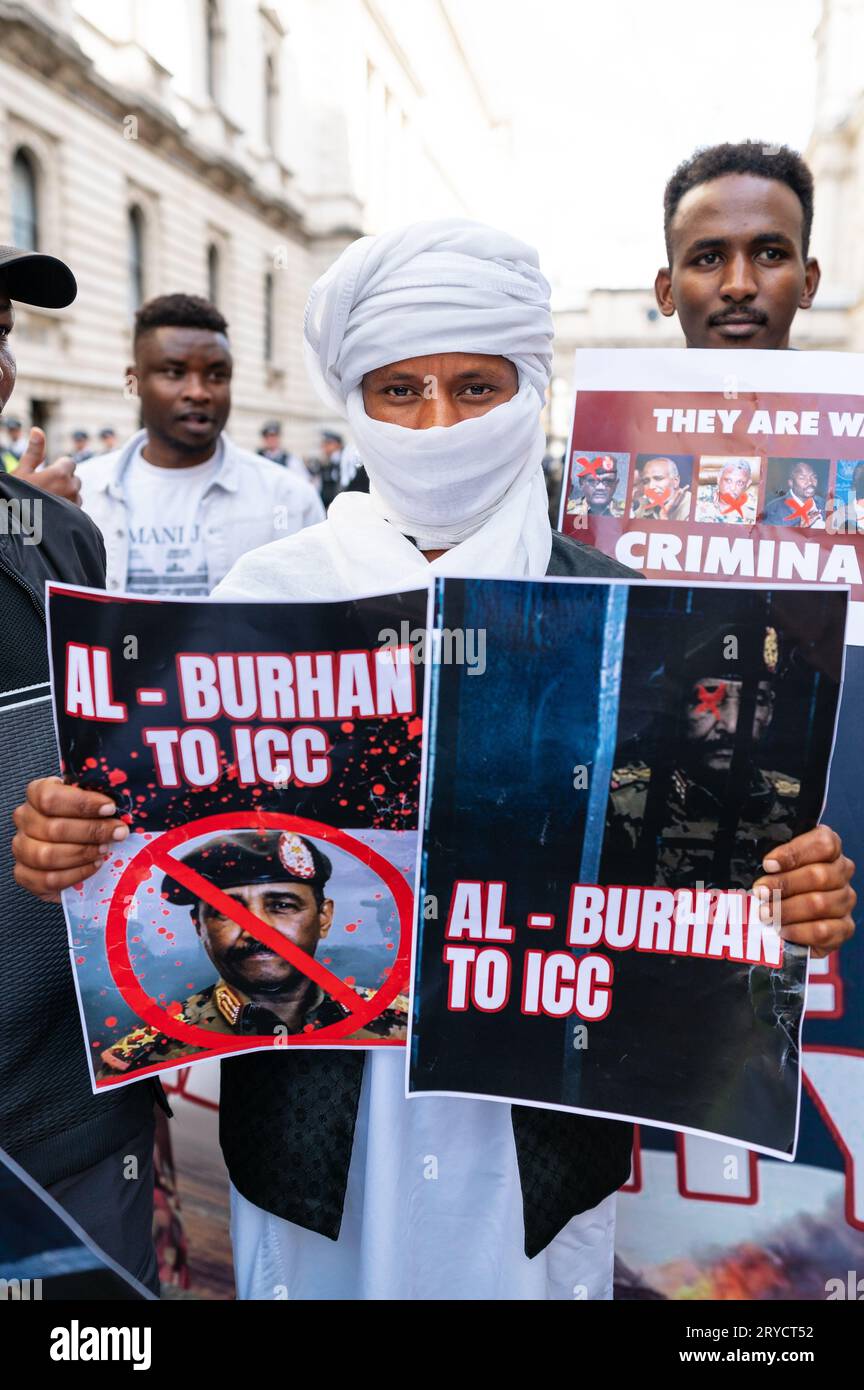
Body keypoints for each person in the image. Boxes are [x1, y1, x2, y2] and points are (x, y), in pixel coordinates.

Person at [13, 220, 854, 1302]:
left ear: (529, 388)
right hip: (318, 1149)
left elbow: (699, 871)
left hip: (537, 1157)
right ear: (355, 400)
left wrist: (789, 895)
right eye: (400, 390)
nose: (437, 423)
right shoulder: (265, 597)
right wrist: (71, 846)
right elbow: (162, 863)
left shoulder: (623, 606)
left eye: (474, 386)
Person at [0, 242, 160, 1293]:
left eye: (0, 334)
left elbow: (131, 794)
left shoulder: (62, 537)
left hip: (70, 1114)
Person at [99, 830, 408, 1076]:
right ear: (199, 925)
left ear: (324, 918)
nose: (256, 930)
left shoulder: (404, 1027)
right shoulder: (144, 1058)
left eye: (282, 905)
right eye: (226, 911)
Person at [79, 294, 323, 594]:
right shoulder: (80, 494)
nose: (198, 392)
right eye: (174, 372)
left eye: (217, 375)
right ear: (135, 381)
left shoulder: (291, 500)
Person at [655, 141, 820, 349]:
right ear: (667, 292)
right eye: (709, 259)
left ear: (808, 283)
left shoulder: (850, 382)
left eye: (770, 255)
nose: (739, 287)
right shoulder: (620, 381)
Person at [763, 460, 826, 528]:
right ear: (791, 483)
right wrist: (799, 528)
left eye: (814, 477)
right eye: (802, 478)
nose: (810, 482)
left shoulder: (823, 503)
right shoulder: (774, 509)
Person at [695, 458, 757, 524]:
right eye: (728, 481)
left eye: (740, 483)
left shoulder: (753, 515)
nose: (733, 488)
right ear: (719, 479)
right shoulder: (698, 501)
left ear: (747, 484)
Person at [630, 455, 691, 520]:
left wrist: (664, 516)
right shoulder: (643, 504)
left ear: (675, 481)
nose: (651, 487)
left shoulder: (692, 508)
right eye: (646, 481)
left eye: (658, 479)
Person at [567, 453, 624, 519]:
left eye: (607, 481)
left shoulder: (628, 513)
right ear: (581, 483)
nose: (600, 487)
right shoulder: (568, 512)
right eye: (592, 481)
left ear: (616, 484)